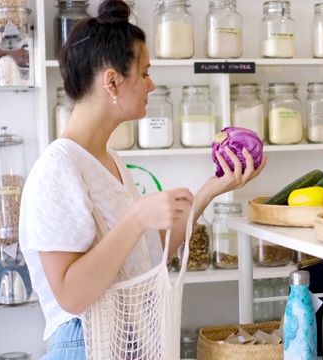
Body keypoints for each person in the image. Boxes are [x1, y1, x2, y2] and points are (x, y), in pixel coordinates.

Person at [19, 1, 266, 358]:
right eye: (145, 72)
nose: (152, 85)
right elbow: (71, 296)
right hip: (84, 342)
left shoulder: (109, 160)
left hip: (124, 337)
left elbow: (151, 250)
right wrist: (135, 219)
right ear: (112, 81)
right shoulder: (58, 169)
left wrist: (214, 188)